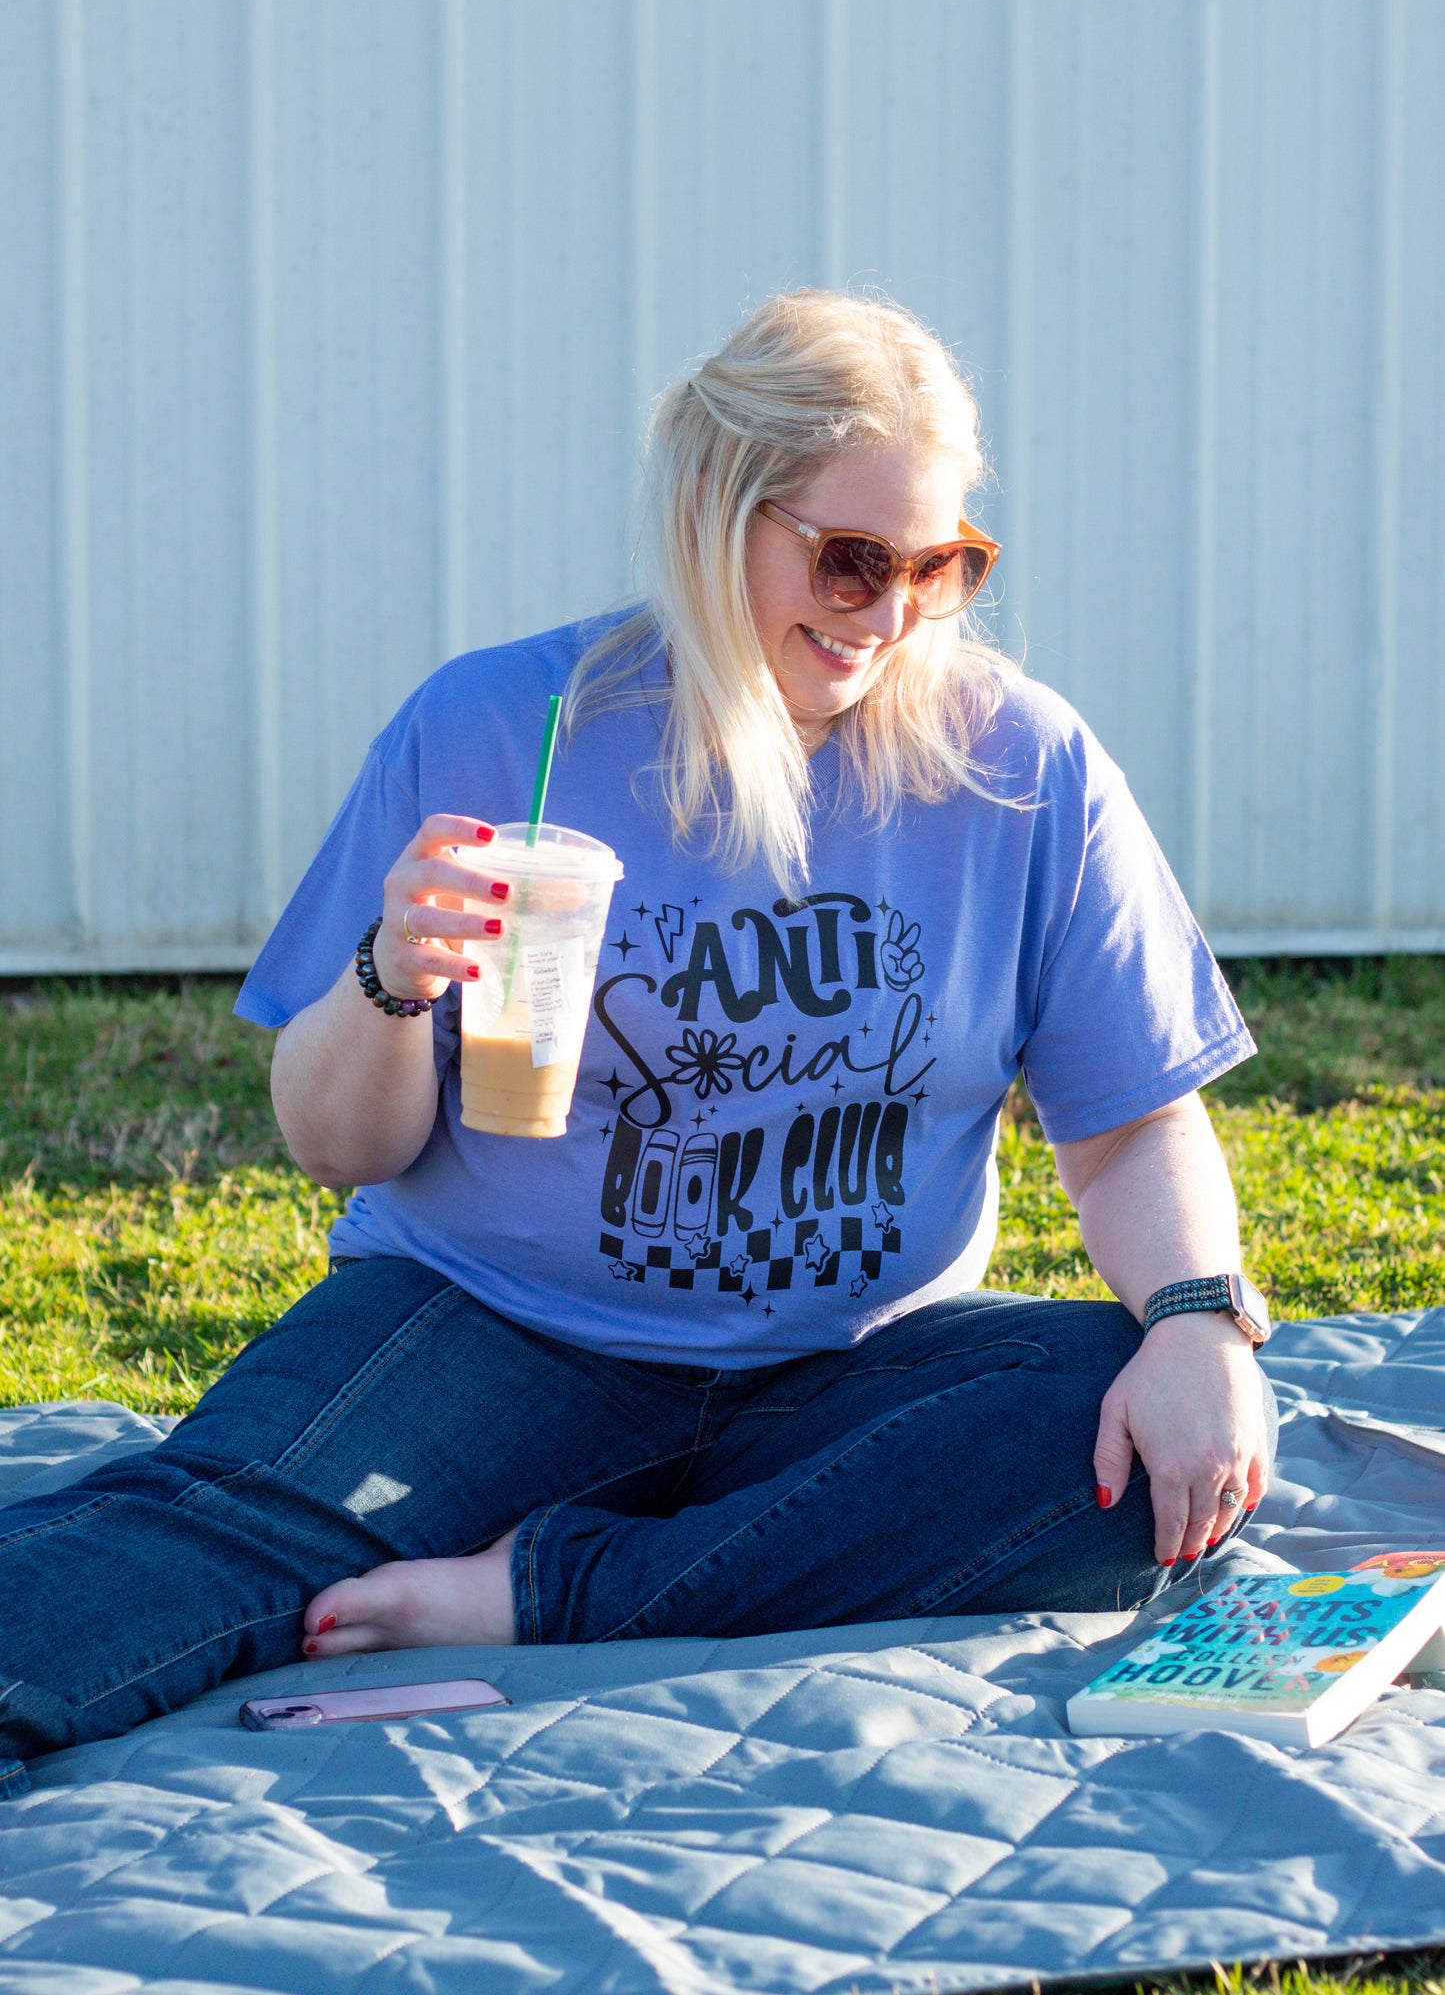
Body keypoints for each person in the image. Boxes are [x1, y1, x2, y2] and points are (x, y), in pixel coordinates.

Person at [0, 292, 1272, 1795]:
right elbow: (337, 1144)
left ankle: (536, 1593)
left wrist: (1193, 1315)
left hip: (843, 1384)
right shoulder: (497, 721)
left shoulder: (1019, 761)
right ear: (710, 509)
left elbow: (1127, 1119)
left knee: (1131, 1437)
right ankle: (642, 1569)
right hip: (487, 1330)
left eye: (940, 568)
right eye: (849, 562)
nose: (890, 617)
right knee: (211, 1534)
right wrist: (394, 976)